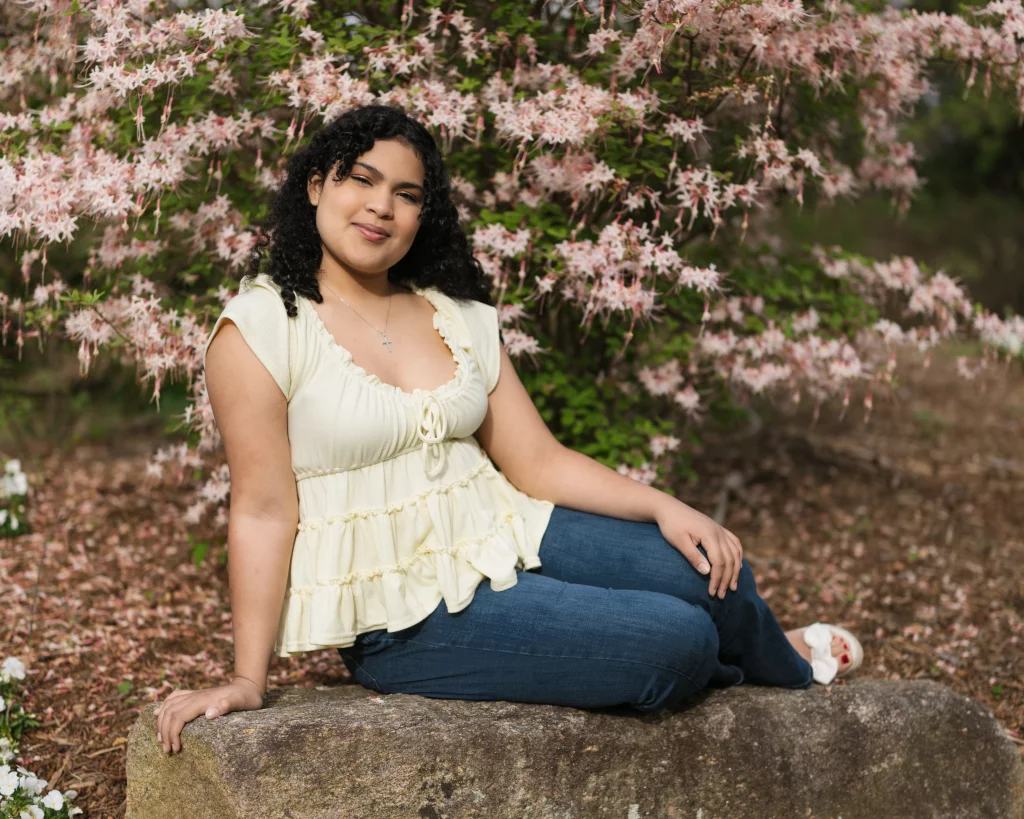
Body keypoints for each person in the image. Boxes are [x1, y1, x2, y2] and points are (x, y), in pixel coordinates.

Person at [154, 104, 862, 756]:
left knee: (708, 568)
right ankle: (725, 657)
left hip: (506, 530)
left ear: (422, 214)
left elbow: (537, 460)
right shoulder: (261, 328)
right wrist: (247, 678)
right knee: (677, 639)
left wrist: (663, 506)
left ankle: (786, 666)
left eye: (406, 194)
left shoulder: (454, 315)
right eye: (361, 180)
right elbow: (262, 509)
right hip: (408, 614)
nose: (381, 206)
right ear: (316, 187)